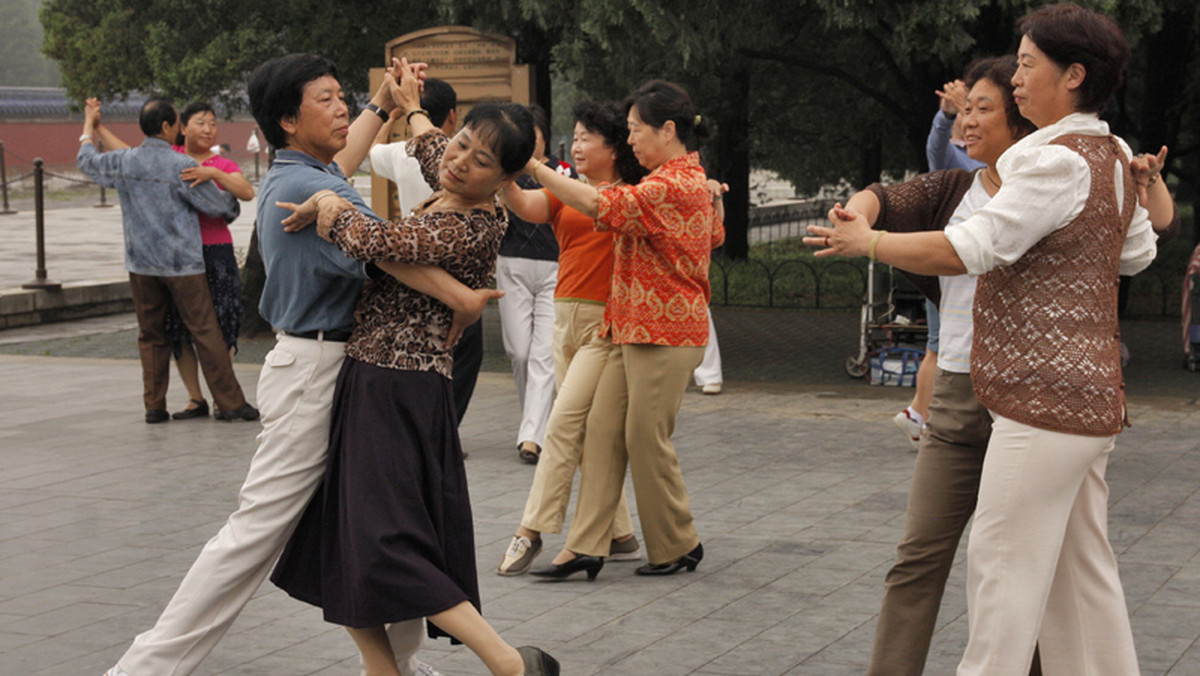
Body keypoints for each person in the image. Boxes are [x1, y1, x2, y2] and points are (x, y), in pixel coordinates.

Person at [806, 4, 1178, 672]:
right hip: (1088, 401)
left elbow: (971, 247)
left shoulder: (1056, 162)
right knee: (1081, 585)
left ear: (1074, 75)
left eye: (1029, 65)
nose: (1018, 81)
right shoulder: (1110, 151)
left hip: (1039, 402)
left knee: (1002, 571)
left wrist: (873, 241)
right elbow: (1136, 255)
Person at [101, 54, 484, 676]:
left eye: (342, 97)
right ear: (285, 119)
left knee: (395, 518)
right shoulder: (312, 188)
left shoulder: (302, 171)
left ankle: (402, 666)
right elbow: (384, 248)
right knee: (256, 532)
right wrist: (462, 295)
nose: (342, 109)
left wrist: (382, 104)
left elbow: (342, 162)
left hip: (341, 361)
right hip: (318, 368)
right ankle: (144, 668)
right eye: (326, 99)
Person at [269, 58, 558, 676]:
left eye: (482, 161)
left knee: (384, 543)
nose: (459, 162)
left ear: (505, 179)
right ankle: (384, 671)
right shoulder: (453, 182)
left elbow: (379, 243)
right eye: (462, 144)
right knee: (342, 537)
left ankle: (508, 663)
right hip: (375, 380)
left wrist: (326, 200)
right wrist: (411, 105)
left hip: (397, 389)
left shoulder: (466, 223)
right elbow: (432, 150)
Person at [830, 56, 1040, 675]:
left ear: (1020, 117)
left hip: (1025, 399)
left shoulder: (1046, 191)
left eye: (982, 109)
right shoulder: (954, 188)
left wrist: (872, 239)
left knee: (1014, 564)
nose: (966, 121)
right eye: (964, 108)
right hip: (953, 390)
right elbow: (885, 196)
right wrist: (859, 214)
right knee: (917, 557)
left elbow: (962, 253)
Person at [525, 80, 724, 580]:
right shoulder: (674, 180)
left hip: (667, 333)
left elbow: (602, 207)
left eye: (636, 130)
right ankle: (585, 546)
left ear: (669, 130)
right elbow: (712, 233)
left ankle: (679, 542)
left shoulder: (674, 183)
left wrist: (533, 167)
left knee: (644, 438)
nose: (630, 138)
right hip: (629, 328)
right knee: (602, 431)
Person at [495, 100, 646, 576]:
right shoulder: (567, 190)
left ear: (614, 148)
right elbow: (523, 203)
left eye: (586, 138)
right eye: (575, 137)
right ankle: (620, 535)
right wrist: (503, 169)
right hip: (566, 317)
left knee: (564, 424)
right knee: (588, 433)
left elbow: (594, 206)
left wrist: (533, 165)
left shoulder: (630, 195)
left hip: (608, 324)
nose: (577, 145)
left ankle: (531, 530)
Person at [76, 98, 258, 425]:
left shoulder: (125, 161)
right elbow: (221, 206)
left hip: (141, 264)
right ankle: (230, 403)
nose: (179, 128)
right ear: (165, 127)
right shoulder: (179, 166)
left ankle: (155, 406)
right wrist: (228, 203)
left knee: (151, 335)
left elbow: (86, 160)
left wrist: (90, 126)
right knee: (205, 330)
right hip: (183, 265)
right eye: (176, 122)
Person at [368, 78, 485, 425]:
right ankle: (443, 427)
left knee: (425, 354)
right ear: (453, 115)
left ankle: (423, 426)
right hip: (457, 274)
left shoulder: (401, 152)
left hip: (414, 270)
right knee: (464, 353)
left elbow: (372, 151)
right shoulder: (464, 159)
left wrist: (388, 117)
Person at [893, 75, 992, 449]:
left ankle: (920, 415)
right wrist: (949, 112)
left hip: (963, 270)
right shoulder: (957, 162)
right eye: (971, 114)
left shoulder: (999, 166)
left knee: (940, 347)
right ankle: (921, 415)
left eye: (984, 110)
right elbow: (936, 148)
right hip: (950, 270)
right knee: (938, 346)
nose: (973, 122)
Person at [496, 105, 574, 464]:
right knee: (520, 352)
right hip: (511, 266)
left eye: (533, 132)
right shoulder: (503, 171)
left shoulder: (565, 173)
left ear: (543, 134)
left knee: (543, 354)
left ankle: (532, 436)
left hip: (555, 269)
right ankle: (535, 423)